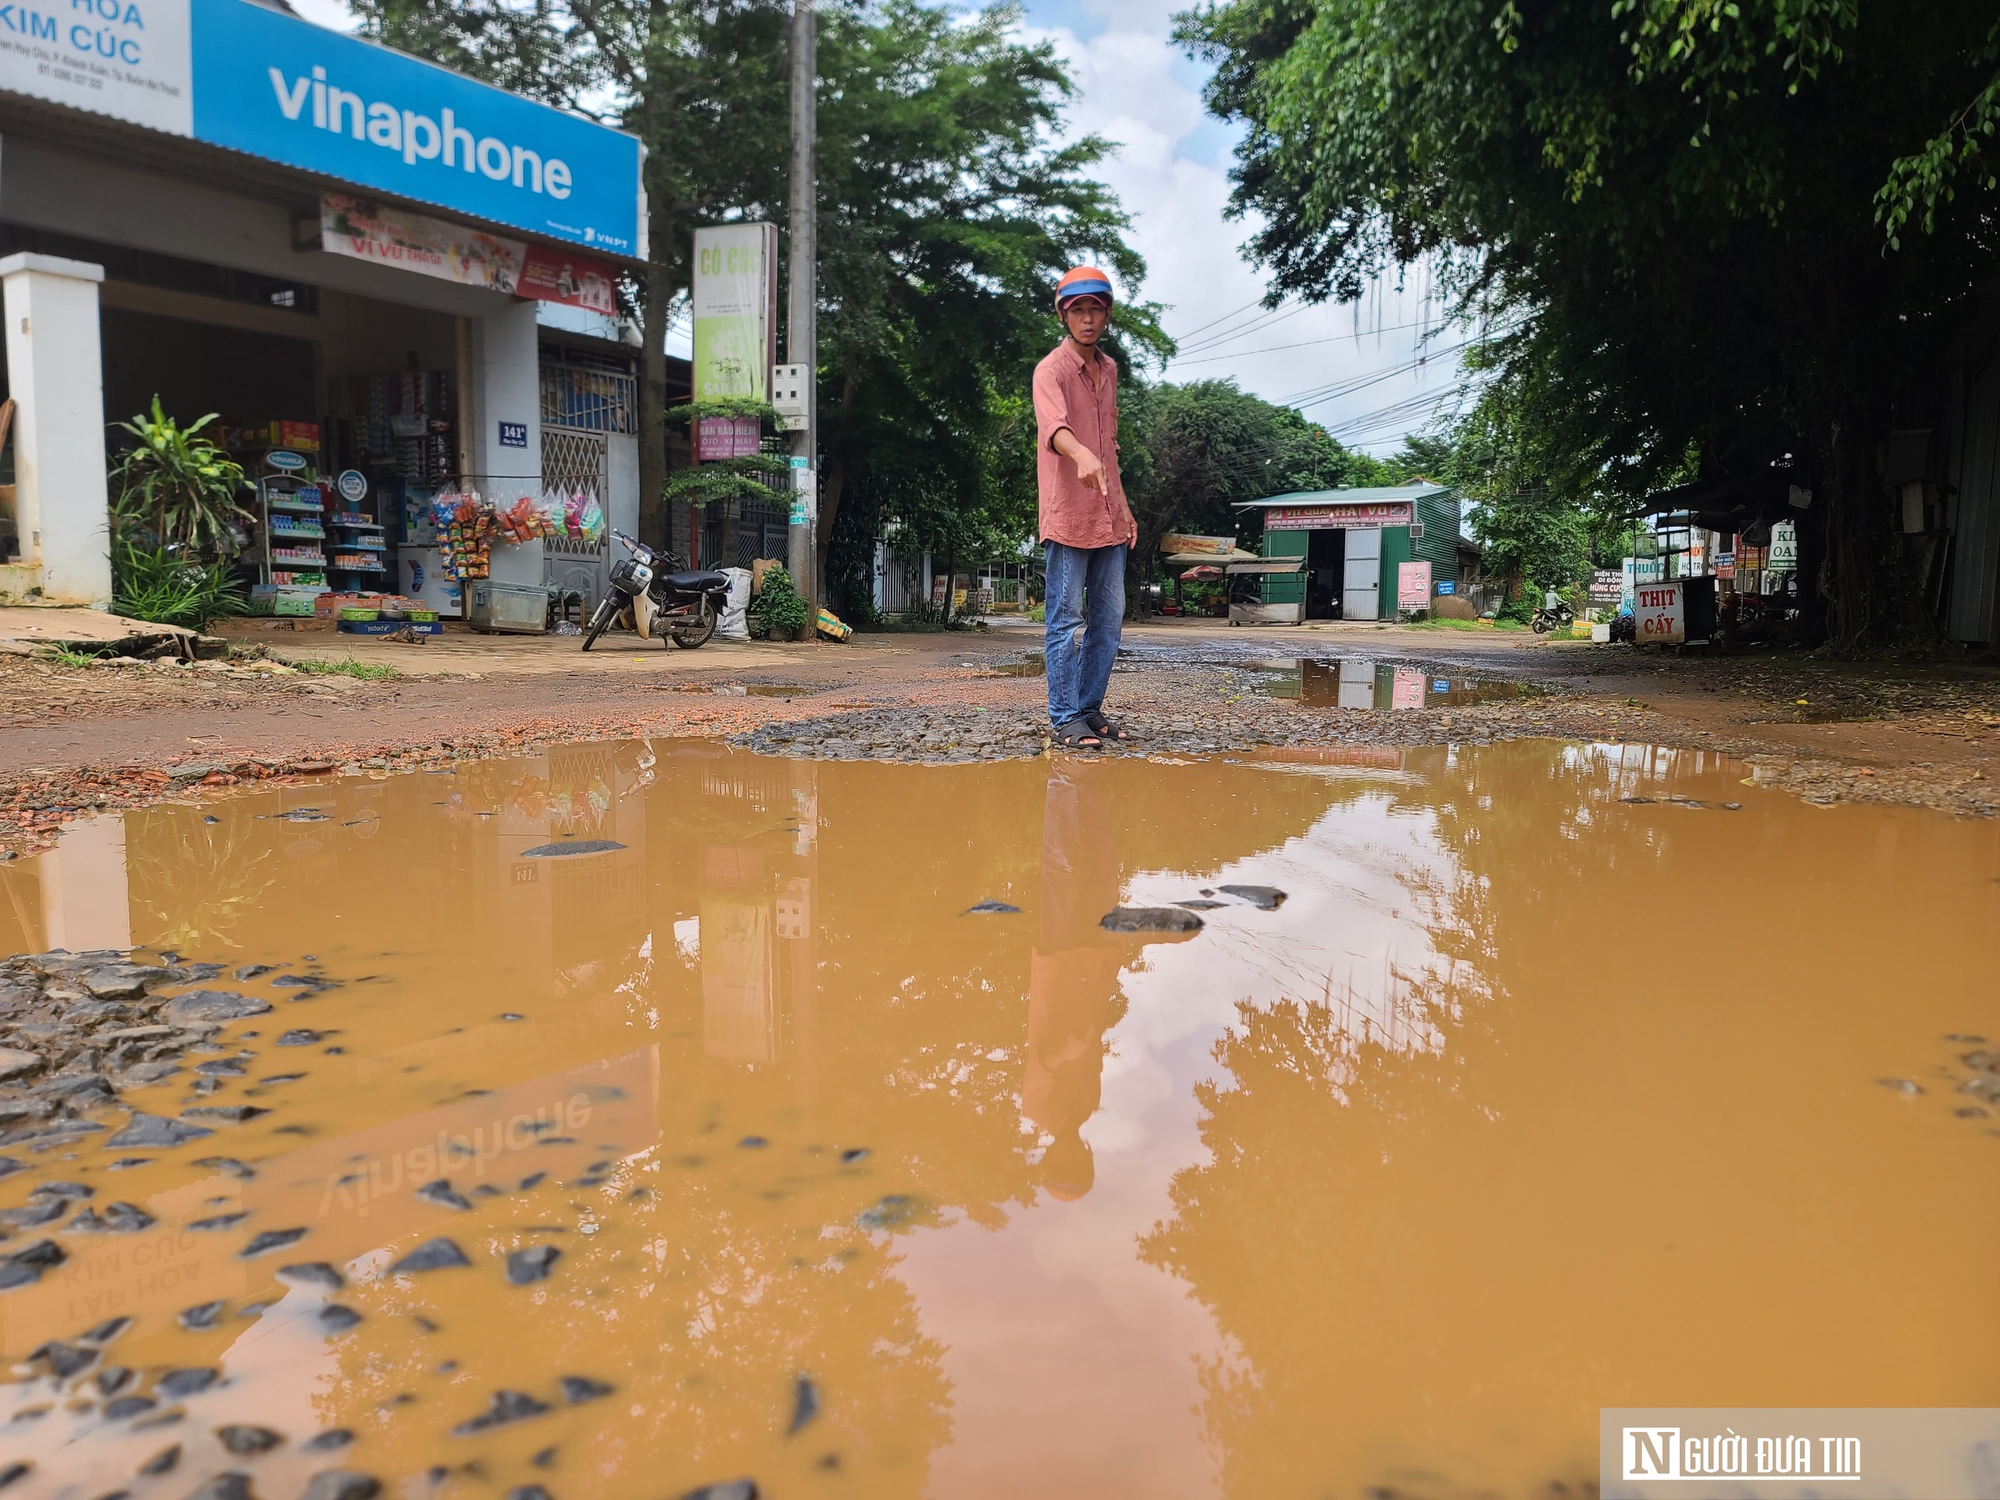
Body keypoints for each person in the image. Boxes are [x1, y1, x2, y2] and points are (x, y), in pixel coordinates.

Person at [1033, 266, 1137, 750]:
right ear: (1064, 316)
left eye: (1096, 308)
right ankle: (1065, 717)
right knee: (1067, 620)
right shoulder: (1050, 369)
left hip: (1109, 517)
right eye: (1078, 310)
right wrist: (1081, 455)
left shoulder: (1109, 370)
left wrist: (1125, 507)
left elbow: (1110, 446)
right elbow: (1054, 428)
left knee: (1109, 619)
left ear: (1107, 314)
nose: (1088, 318)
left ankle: (1089, 708)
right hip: (1068, 516)